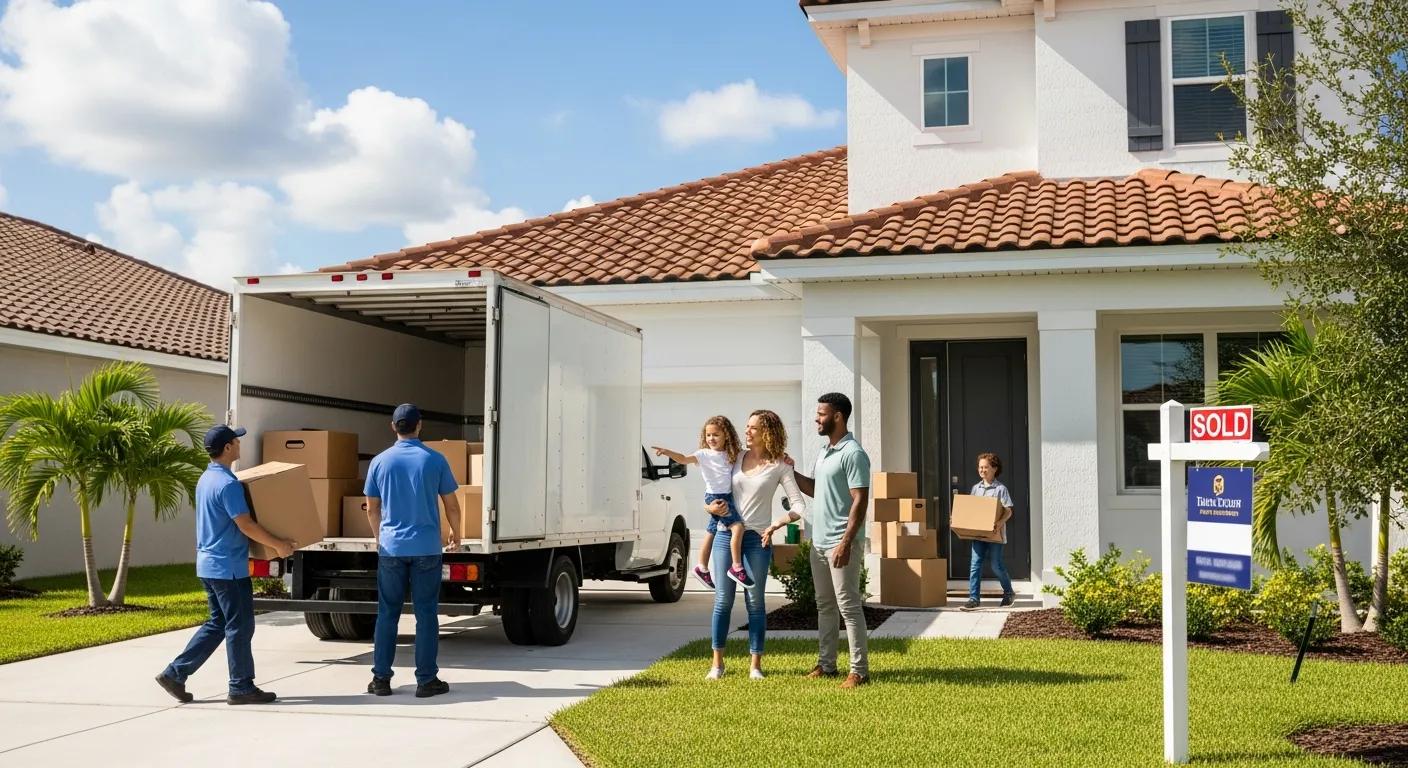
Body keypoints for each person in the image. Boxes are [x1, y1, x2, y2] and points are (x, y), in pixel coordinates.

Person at [155, 425, 296, 705]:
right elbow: (245, 525)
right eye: (236, 440)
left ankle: (175, 673)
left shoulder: (206, 479)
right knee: (240, 626)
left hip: (208, 565)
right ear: (228, 448)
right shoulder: (228, 485)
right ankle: (241, 686)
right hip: (228, 567)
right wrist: (279, 544)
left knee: (218, 623)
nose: (239, 443)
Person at [364, 404, 461, 698]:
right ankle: (426, 680)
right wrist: (457, 533)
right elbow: (451, 505)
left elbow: (372, 508)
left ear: (393, 427)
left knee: (387, 614)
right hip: (427, 548)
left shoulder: (379, 462)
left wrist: (380, 537)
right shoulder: (435, 459)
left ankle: (380, 680)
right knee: (426, 614)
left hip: (392, 548)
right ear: (420, 426)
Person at [703, 410, 806, 680]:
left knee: (755, 603)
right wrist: (708, 507)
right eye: (746, 427)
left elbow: (798, 505)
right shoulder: (733, 457)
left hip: (758, 540)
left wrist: (778, 524)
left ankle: (755, 666)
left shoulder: (780, 465)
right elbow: (711, 484)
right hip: (726, 536)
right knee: (723, 601)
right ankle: (717, 665)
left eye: (753, 428)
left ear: (767, 432)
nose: (746, 432)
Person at [786, 393, 872, 689]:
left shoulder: (853, 453)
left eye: (821, 414)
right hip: (819, 542)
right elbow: (815, 489)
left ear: (837, 416)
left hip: (840, 541)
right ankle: (827, 664)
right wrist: (790, 471)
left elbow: (860, 500)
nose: (816, 419)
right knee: (825, 605)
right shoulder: (825, 452)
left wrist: (846, 542)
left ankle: (859, 670)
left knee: (848, 606)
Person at [652, 416, 749, 588]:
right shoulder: (703, 454)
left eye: (716, 435)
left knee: (711, 532)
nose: (711, 438)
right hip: (716, 497)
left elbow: (750, 456)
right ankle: (736, 567)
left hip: (726, 496)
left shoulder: (732, 453)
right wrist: (667, 452)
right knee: (738, 527)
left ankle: (702, 567)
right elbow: (683, 458)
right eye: (708, 435)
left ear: (726, 435)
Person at [962, 452, 1016, 611]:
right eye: (980, 467)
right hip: (978, 534)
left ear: (994, 469)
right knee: (975, 565)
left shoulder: (1000, 489)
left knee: (996, 565)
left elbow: (1008, 510)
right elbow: (972, 509)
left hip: (994, 534)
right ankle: (974, 598)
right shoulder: (975, 488)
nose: (982, 470)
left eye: (986, 467)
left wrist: (999, 523)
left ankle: (1008, 592)